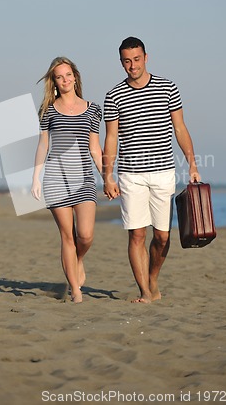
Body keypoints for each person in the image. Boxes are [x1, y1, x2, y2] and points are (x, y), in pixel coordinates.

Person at [103, 37, 200, 304]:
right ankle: (145, 291)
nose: (132, 65)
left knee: (162, 237)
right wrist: (107, 176)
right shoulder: (114, 95)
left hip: (163, 173)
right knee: (137, 234)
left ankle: (153, 278)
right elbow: (111, 138)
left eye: (136, 59)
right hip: (131, 174)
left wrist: (192, 164)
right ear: (121, 62)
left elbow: (179, 128)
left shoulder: (168, 88)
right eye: (126, 61)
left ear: (146, 57)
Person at [31, 57, 103, 303]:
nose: (65, 80)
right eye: (60, 76)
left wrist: (107, 175)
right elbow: (43, 144)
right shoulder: (47, 109)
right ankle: (76, 290)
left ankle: (78, 259)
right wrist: (36, 178)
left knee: (85, 236)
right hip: (55, 180)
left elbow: (95, 148)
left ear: (75, 77)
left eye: (68, 75)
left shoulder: (93, 109)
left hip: (84, 180)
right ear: (54, 81)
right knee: (67, 237)